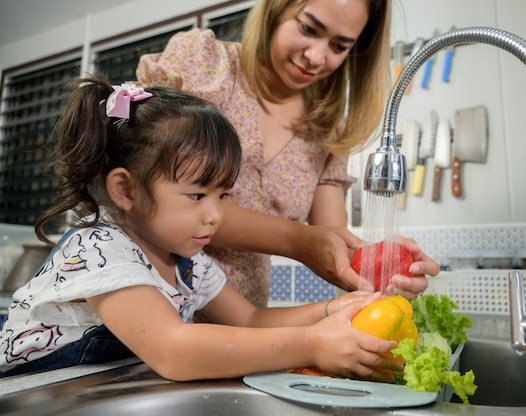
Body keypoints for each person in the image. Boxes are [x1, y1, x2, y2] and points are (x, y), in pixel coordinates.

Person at [0, 76, 403, 381]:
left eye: (222, 196)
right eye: (197, 196)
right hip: (28, 392)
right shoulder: (100, 250)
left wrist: (334, 310)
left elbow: (248, 321)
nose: (215, 215)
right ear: (125, 189)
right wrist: (314, 344)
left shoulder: (188, 262)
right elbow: (174, 349)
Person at [136, 0, 440, 307]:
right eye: (308, 29)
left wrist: (384, 264)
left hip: (245, 333)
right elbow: (158, 197)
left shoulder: (326, 129)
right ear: (275, 9)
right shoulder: (205, 66)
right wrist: (297, 240)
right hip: (148, 310)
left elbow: (332, 243)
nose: (316, 57)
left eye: (339, 46)